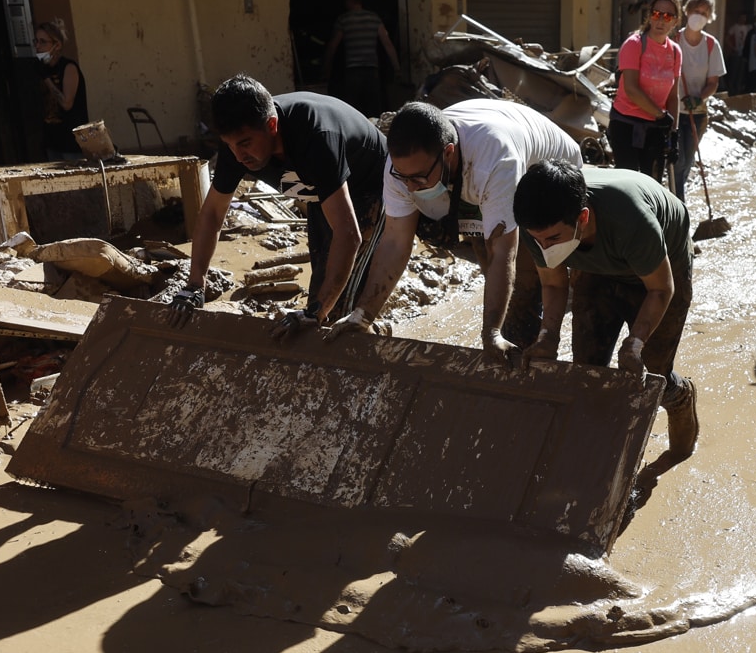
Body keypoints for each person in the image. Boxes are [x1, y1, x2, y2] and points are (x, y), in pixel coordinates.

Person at [331, 99, 580, 364]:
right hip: (471, 175)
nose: (412, 187)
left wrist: (490, 333)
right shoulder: (402, 167)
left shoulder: (494, 160)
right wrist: (363, 315)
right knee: (486, 260)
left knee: (524, 280)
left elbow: (503, 251)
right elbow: (394, 241)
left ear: (448, 153)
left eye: (419, 178)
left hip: (549, 177)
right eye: (405, 178)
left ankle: (526, 357)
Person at [513, 158, 699, 461]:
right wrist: (548, 336)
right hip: (597, 268)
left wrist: (635, 342)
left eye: (553, 239)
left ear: (582, 217)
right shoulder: (538, 226)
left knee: (651, 373)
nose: (545, 247)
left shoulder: (631, 220)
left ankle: (681, 398)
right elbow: (555, 285)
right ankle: (594, 457)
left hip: (661, 269)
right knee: (587, 370)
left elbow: (661, 289)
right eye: (538, 240)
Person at [167, 76, 386, 331]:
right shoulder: (237, 146)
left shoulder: (315, 137)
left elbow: (348, 235)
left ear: (272, 125)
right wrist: (195, 285)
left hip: (370, 185)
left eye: (245, 144)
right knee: (322, 287)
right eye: (230, 145)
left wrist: (315, 313)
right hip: (319, 189)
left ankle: (367, 339)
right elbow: (213, 213)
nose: (239, 156)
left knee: (334, 308)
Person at [608, 0, 683, 184]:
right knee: (629, 185)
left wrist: (673, 133)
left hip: (656, 128)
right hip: (625, 124)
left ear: (675, 21)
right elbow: (632, 90)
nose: (661, 21)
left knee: (653, 185)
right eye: (656, 14)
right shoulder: (634, 45)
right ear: (650, 16)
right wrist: (661, 115)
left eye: (667, 16)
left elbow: (673, 96)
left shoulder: (675, 52)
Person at [674, 0, 726, 206]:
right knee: (678, 161)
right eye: (696, 11)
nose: (699, 16)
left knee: (688, 161)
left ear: (710, 17)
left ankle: (678, 195)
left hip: (697, 113)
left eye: (705, 13)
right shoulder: (673, 40)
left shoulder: (711, 45)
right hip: (673, 112)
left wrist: (698, 98)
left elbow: (713, 82)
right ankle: (679, 205)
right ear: (686, 11)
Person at [322, 0, 401, 117]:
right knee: (374, 109)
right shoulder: (374, 18)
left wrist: (326, 70)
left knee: (353, 110)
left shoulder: (344, 19)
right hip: (372, 71)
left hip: (353, 71)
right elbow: (387, 44)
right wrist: (397, 68)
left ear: (349, 2)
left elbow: (333, 46)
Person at [33, 18, 89, 160]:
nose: (38, 46)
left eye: (43, 42)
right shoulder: (42, 68)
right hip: (52, 139)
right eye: (36, 41)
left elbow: (66, 103)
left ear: (56, 45)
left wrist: (47, 80)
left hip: (71, 141)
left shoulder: (68, 67)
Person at [726, 13, 751, 94]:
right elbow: (727, 38)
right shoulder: (734, 27)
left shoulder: (747, 28)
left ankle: (738, 89)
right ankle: (731, 90)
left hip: (743, 53)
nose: (743, 19)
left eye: (744, 18)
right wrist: (733, 48)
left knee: (741, 73)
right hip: (735, 53)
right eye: (741, 18)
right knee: (734, 72)